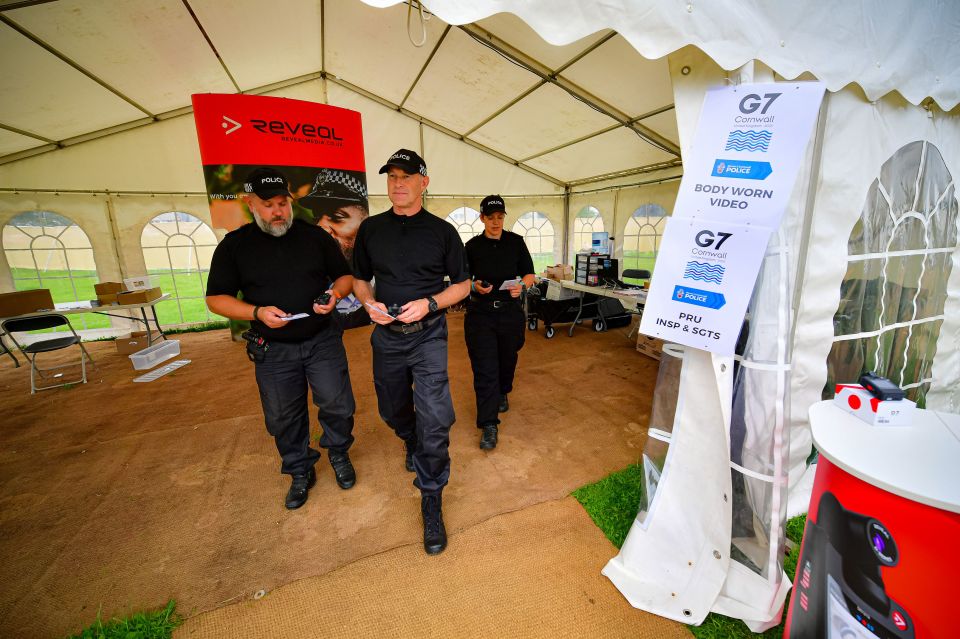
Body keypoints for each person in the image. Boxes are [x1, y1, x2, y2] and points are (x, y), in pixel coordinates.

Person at [205, 167, 359, 510]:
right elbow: (216, 299)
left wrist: (333, 294)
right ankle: (300, 469)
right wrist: (257, 313)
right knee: (282, 416)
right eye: (269, 205)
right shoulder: (235, 246)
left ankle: (338, 453)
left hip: (321, 339)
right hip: (273, 350)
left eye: (282, 203)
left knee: (337, 402)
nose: (278, 212)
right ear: (251, 203)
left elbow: (345, 277)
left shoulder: (315, 237)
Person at [351, 149, 470, 555]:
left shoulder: (442, 232)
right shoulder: (370, 230)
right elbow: (359, 279)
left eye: (406, 176)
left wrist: (432, 303)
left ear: (424, 182)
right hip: (387, 338)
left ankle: (431, 497)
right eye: (391, 177)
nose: (398, 183)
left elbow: (463, 285)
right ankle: (408, 437)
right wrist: (369, 304)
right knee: (392, 409)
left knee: (436, 417)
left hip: (428, 335)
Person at [464, 195, 536, 450]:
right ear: (482, 218)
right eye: (490, 217)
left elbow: (529, 273)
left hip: (510, 314)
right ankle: (488, 424)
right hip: (480, 314)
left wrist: (522, 286)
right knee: (484, 368)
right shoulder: (471, 246)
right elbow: (463, 280)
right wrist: (474, 285)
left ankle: (504, 388)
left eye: (500, 217)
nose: (495, 222)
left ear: (504, 217)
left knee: (508, 358)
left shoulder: (516, 243)